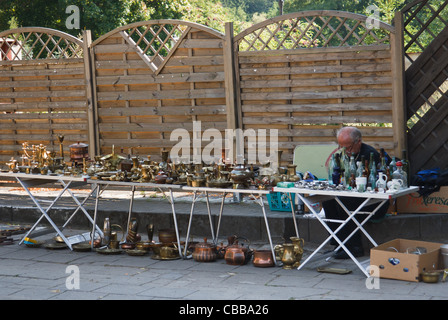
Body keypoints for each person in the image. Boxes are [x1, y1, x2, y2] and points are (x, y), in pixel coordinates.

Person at [323, 126, 392, 259]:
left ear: (358, 142)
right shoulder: (343, 154)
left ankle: (354, 247)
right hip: (355, 197)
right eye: (341, 147)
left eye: (348, 147)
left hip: (374, 201)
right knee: (327, 200)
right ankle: (338, 243)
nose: (345, 151)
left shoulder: (369, 155)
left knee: (343, 202)